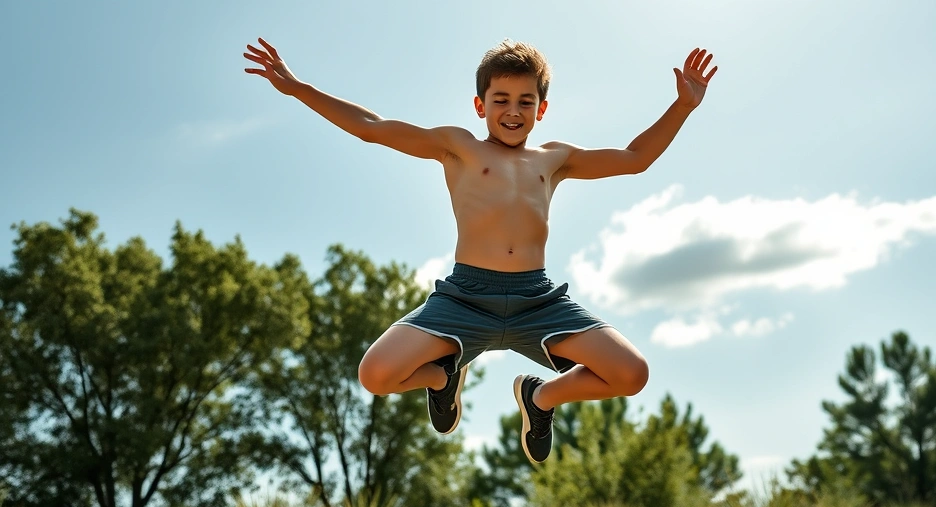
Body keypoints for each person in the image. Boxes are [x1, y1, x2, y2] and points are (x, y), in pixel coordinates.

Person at [244, 38, 717, 464]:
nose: (513, 110)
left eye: (525, 101)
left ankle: (541, 398)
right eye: (501, 100)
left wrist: (683, 106)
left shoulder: (554, 159)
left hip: (539, 300)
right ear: (480, 104)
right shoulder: (458, 147)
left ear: (541, 109)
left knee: (631, 373)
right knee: (376, 375)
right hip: (465, 297)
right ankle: (441, 379)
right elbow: (372, 126)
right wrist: (298, 88)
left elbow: (634, 160)